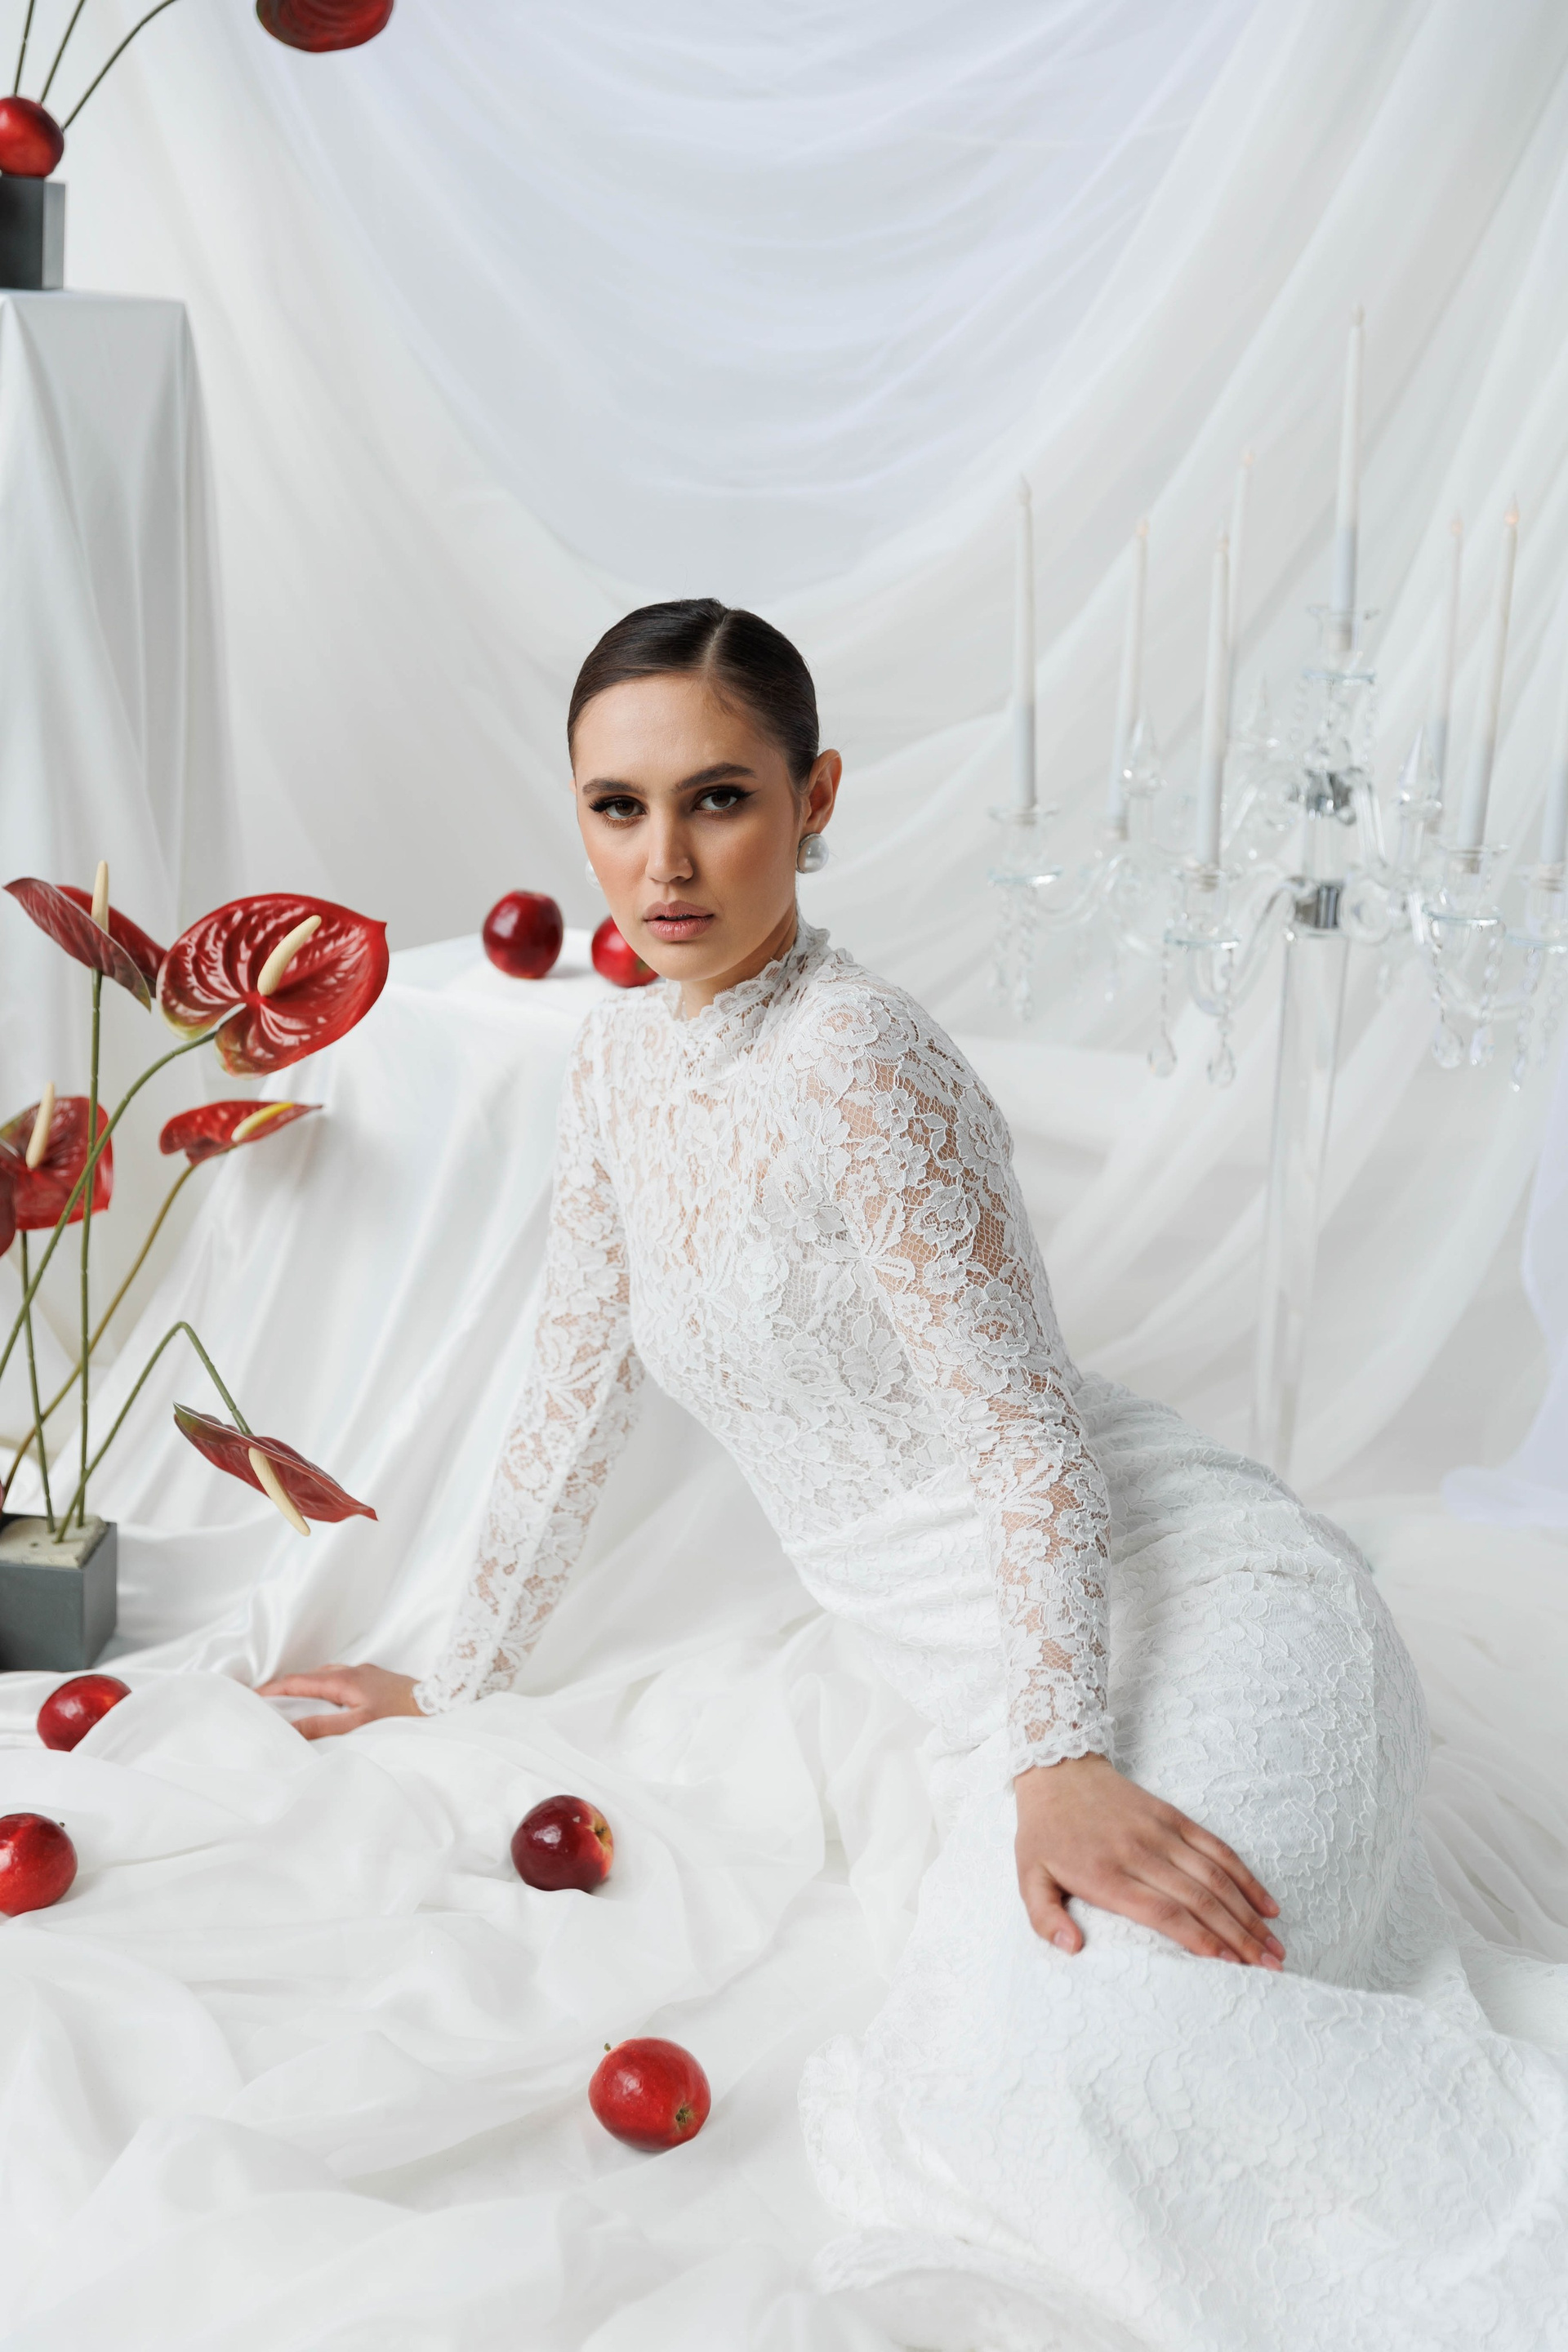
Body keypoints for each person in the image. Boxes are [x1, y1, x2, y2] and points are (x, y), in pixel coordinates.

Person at [263, 600, 1567, 2345]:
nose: (664, 864)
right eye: (618, 807)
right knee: (1012, 2083)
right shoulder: (620, 1060)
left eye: (720, 799)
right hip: (980, 1695)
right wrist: (455, 1676)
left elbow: (1028, 1431)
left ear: (816, 801)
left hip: (1184, 1610)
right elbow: (569, 1395)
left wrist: (1060, 1755)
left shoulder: (863, 1057)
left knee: (1124, 2058)